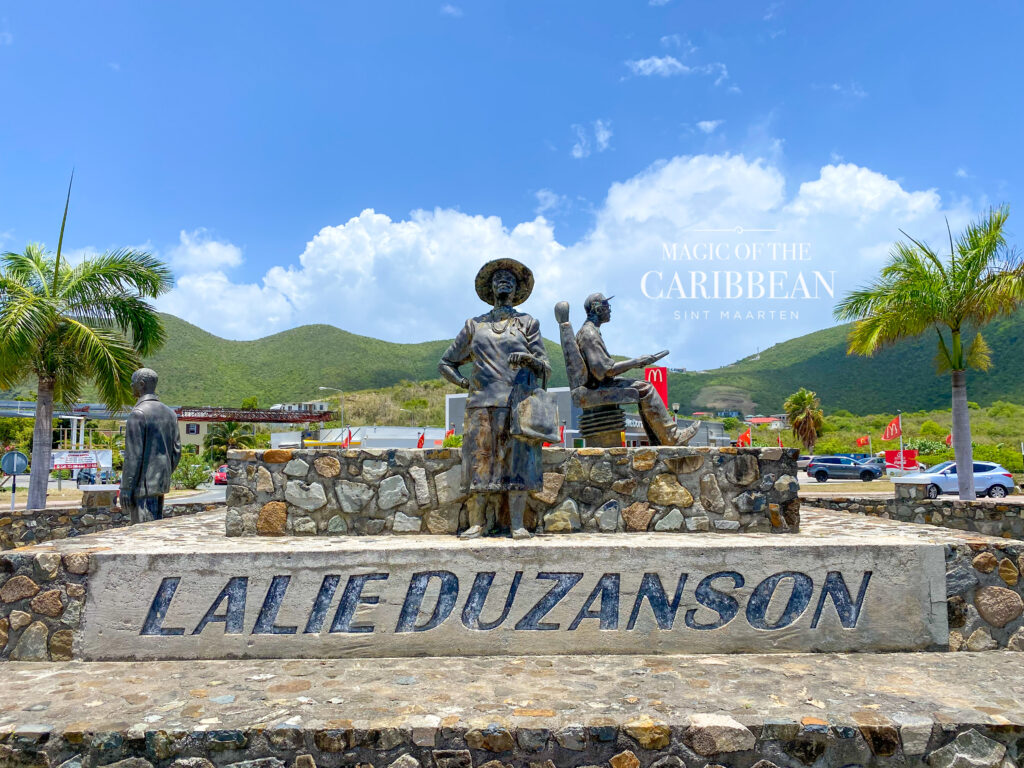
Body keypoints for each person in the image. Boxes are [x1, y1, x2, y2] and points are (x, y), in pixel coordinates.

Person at [438, 259, 551, 539]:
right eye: (499, 278)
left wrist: (529, 359)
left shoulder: (528, 323)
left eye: (510, 280)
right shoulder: (473, 325)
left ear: (517, 289)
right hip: (481, 404)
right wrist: (465, 383)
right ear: (490, 287)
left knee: (518, 465)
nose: (504, 282)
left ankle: (516, 523)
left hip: (517, 406)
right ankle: (478, 523)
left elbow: (546, 367)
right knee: (480, 464)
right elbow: (446, 363)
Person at [576, 292, 700, 445]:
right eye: (606, 305)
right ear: (597, 309)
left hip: (598, 384)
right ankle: (671, 437)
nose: (610, 309)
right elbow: (603, 372)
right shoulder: (589, 334)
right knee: (645, 389)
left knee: (643, 387)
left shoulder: (590, 332)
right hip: (597, 387)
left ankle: (662, 439)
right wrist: (637, 361)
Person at [120, 368, 182, 523]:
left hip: (142, 486)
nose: (131, 385)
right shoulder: (170, 414)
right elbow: (176, 451)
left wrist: (126, 488)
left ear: (141, 384)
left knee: (142, 533)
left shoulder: (138, 413)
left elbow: (133, 456)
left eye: (133, 383)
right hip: (160, 483)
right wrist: (163, 474)